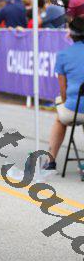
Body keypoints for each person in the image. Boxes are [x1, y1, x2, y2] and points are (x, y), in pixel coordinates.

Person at [45, 18, 84, 170]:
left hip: (74, 108)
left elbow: (63, 90)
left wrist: (66, 101)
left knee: (60, 119)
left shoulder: (63, 55)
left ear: (71, 34)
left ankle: (50, 161)